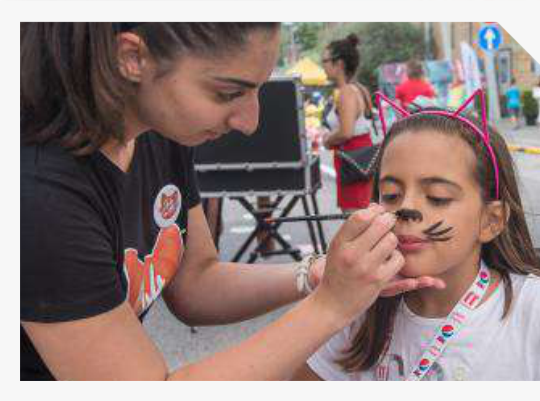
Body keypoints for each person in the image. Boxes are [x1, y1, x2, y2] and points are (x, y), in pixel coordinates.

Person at [21, 23, 446, 381]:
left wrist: (317, 273)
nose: (250, 122)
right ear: (132, 58)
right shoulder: (38, 193)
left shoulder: (158, 134)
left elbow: (196, 282)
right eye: (227, 93)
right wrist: (331, 305)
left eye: (258, 89)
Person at [293, 91, 540, 381]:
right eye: (391, 195)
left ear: (491, 220)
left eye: (437, 197)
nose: (406, 208)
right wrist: (331, 299)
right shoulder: (358, 306)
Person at [321, 33, 376, 213]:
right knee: (364, 214)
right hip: (361, 159)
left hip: (352, 161)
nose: (323, 66)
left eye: (325, 61)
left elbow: (346, 132)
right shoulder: (360, 88)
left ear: (339, 63)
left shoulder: (346, 92)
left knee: (355, 216)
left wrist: (327, 140)